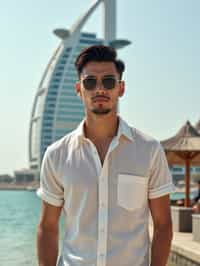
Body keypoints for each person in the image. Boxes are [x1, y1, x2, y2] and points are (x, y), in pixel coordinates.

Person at [37, 45, 175, 266]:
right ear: (79, 89)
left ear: (120, 88)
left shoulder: (149, 150)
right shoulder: (57, 155)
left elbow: (163, 224)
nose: (99, 89)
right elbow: (48, 227)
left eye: (108, 82)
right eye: (90, 82)